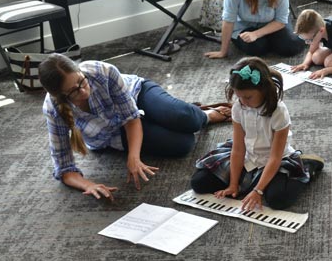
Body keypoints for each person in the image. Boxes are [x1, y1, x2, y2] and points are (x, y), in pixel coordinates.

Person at [40, 54, 231, 201]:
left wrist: (134, 157)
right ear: (61, 96)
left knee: (187, 119)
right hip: (113, 133)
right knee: (183, 144)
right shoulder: (53, 109)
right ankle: (176, 113)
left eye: (81, 81)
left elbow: (131, 118)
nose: (83, 90)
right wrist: (88, 185)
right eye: (74, 91)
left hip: (136, 93)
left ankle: (204, 115)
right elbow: (64, 168)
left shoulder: (101, 71)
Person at [190, 57, 324, 211]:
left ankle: (307, 165)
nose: (243, 102)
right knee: (199, 183)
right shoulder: (238, 108)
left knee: (277, 200)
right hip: (248, 156)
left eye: (248, 97)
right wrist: (233, 184)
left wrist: (258, 191)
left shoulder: (278, 111)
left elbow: (275, 156)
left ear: (264, 90)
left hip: (275, 160)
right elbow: (238, 149)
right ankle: (246, 181)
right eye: (238, 96)